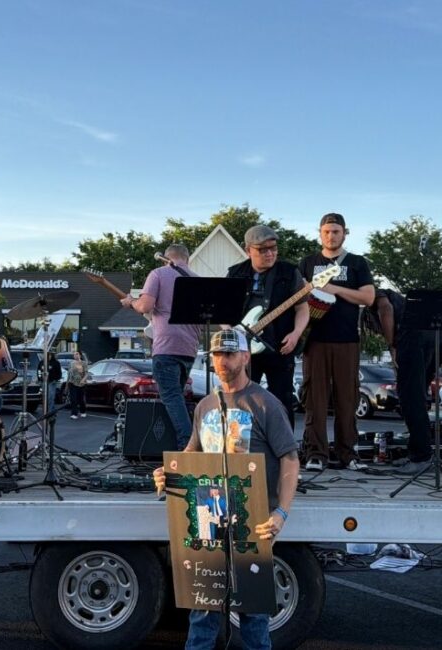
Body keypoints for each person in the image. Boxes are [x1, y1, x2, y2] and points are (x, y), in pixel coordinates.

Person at [153, 329, 300, 650]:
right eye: (217, 355)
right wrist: (169, 471)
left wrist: (281, 511)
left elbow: (290, 461)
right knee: (202, 614)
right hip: (208, 517)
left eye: (229, 354)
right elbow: (193, 452)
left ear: (246, 357)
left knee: (253, 618)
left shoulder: (265, 404)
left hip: (252, 521)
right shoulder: (205, 405)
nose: (222, 361)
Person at [299, 213, 376, 472]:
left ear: (345, 233)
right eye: (327, 231)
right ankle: (316, 454)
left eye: (336, 231)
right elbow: (297, 297)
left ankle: (347, 454)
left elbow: (368, 297)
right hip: (314, 340)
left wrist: (335, 290)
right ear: (320, 233)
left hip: (346, 340)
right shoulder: (308, 263)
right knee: (315, 400)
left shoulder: (356, 263)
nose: (331, 236)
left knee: (347, 398)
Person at [226, 224, 309, 430]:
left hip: (280, 346)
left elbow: (302, 308)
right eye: (263, 250)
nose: (270, 253)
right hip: (244, 351)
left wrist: (296, 334)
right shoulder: (235, 273)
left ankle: (286, 453)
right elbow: (224, 312)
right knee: (241, 400)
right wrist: (232, 333)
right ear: (248, 250)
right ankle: (241, 449)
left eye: (273, 248)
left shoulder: (289, 272)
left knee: (282, 400)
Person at [121, 244, 201, 449]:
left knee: (171, 397)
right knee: (178, 397)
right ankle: (177, 444)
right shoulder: (196, 279)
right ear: (187, 259)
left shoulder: (158, 274)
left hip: (167, 345)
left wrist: (131, 302)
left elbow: (145, 306)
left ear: (166, 258)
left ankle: (188, 445)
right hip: (189, 347)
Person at [363, 289, 442, 476]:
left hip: (414, 339)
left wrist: (392, 345)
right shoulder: (402, 301)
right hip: (438, 337)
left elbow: (385, 310)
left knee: (411, 400)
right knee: (417, 398)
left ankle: (421, 458)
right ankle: (418, 452)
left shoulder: (376, 295)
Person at [66, 351, 89, 419]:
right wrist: (67, 384)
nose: (75, 355)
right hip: (72, 383)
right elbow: (69, 374)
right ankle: (74, 414)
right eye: (74, 354)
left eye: (77, 354)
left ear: (80, 355)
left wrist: (83, 380)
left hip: (81, 384)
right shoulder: (71, 363)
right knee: (73, 399)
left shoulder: (84, 363)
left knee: (81, 399)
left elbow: (86, 373)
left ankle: (83, 411)